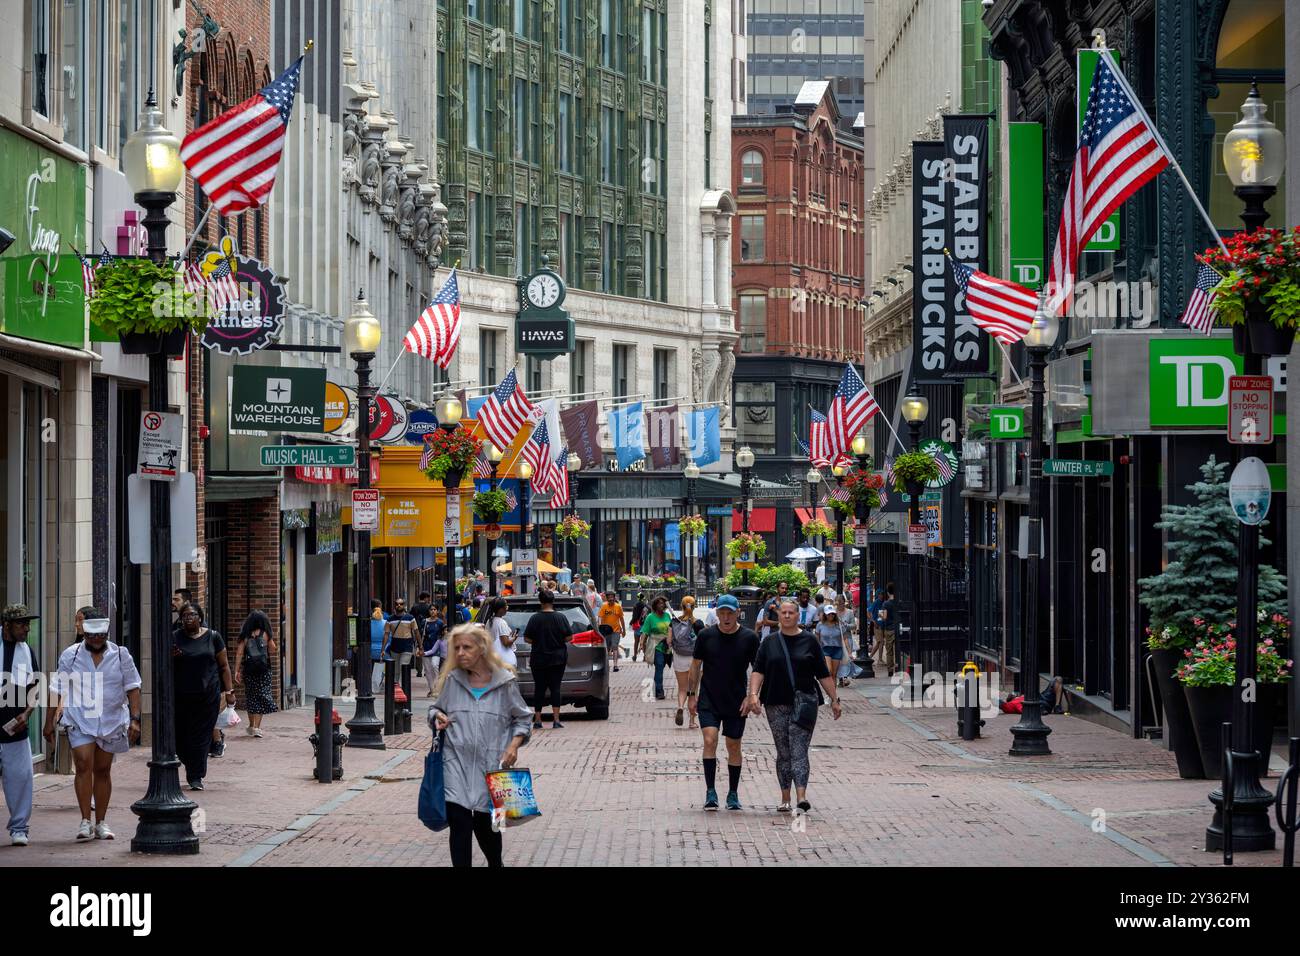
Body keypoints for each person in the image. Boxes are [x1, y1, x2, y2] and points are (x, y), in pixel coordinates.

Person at [428, 624, 532, 868]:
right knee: (460, 824)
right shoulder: (453, 680)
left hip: (492, 766)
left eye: (467, 647)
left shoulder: (504, 682)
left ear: (482, 648)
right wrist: (437, 717)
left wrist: (514, 746)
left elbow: (523, 718)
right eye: (457, 648)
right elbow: (435, 709)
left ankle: (496, 863)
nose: (461, 653)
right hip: (455, 764)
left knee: (487, 827)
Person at [46, 609, 142, 841]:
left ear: (107, 634)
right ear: (85, 635)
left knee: (102, 770)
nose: (96, 639)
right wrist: (49, 721)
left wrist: (136, 719)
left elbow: (133, 686)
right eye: (91, 636)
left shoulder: (121, 655)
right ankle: (85, 820)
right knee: (82, 763)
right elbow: (57, 688)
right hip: (80, 717)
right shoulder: (71, 654)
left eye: (101, 635)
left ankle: (101, 822)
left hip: (110, 720)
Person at [747, 599, 841, 813]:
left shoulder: (809, 641)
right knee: (784, 751)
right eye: (784, 612)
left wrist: (834, 699)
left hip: (804, 703)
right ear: (778, 616)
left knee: (799, 749)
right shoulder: (769, 643)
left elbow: (823, 674)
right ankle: (785, 798)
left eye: (791, 612)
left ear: (799, 616)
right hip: (775, 702)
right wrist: (753, 695)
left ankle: (801, 796)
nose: (787, 616)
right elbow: (758, 670)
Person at [689, 595, 760, 810]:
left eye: (730, 613)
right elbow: (695, 665)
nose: (726, 617)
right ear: (717, 613)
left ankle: (732, 792)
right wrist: (692, 694)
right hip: (709, 698)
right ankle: (711, 792)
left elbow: (757, 669)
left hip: (736, 700)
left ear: (738, 612)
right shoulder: (706, 636)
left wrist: (751, 695)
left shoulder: (749, 638)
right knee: (710, 740)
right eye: (722, 613)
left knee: (733, 745)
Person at [173, 604, 236, 791]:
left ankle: (195, 775)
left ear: (200, 617)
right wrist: (171, 657)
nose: (188, 618)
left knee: (201, 736)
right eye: (184, 615)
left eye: (192, 614)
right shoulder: (175, 637)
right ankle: (189, 762)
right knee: (180, 737)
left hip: (207, 695)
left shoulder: (213, 637)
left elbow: (223, 666)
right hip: (181, 695)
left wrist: (229, 692)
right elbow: (164, 665)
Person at [0, 604, 40, 846]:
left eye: (28, 623)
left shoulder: (27, 651)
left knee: (21, 778)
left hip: (14, 726)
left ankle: (19, 828)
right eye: (21, 624)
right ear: (7, 626)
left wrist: (27, 713)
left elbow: (35, 688)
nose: (27, 628)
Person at [524, 589, 571, 728]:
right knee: (556, 688)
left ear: (540, 601)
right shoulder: (561, 617)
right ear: (553, 601)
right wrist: (558, 640)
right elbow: (569, 637)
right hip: (558, 658)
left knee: (539, 688)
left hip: (538, 658)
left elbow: (527, 638)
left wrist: (538, 642)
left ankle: (538, 720)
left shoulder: (534, 618)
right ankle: (556, 720)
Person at [233, 610, 278, 736]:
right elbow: (273, 649)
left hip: (249, 670)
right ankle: (257, 728)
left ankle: (251, 725)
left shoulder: (245, 636)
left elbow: (239, 653)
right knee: (261, 695)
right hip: (264, 670)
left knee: (251, 696)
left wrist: (236, 670)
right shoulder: (266, 634)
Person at [670, 598, 705, 728]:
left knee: (682, 689)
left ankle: (680, 706)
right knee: (693, 690)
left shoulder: (674, 622)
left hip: (679, 658)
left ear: (682, 606)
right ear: (694, 607)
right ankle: (692, 721)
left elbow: (669, 640)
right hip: (694, 659)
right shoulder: (698, 623)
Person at [639, 596, 674, 700]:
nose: (661, 605)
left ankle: (658, 687)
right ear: (655, 605)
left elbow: (671, 629)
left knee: (662, 667)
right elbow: (645, 632)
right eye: (659, 603)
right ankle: (659, 691)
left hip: (667, 647)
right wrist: (642, 644)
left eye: (663, 603)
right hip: (656, 646)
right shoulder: (650, 617)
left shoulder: (668, 615)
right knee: (659, 666)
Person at [382, 599, 419, 682]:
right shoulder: (390, 619)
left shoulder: (410, 618)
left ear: (404, 605)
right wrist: (383, 649)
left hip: (407, 646)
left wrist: (420, 646)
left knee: (404, 667)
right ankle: (396, 687)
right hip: (395, 646)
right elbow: (386, 634)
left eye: (401, 604)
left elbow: (416, 632)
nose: (399, 605)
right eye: (397, 604)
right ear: (394, 605)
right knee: (396, 670)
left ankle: (403, 689)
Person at [421, 601, 449, 696]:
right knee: (428, 670)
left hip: (436, 649)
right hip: (426, 647)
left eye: (434, 609)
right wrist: (419, 648)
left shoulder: (440, 622)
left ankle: (438, 687)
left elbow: (444, 634)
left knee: (434, 666)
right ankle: (432, 689)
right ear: (429, 611)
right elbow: (421, 635)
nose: (433, 611)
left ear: (437, 611)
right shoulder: (424, 622)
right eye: (431, 609)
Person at [816, 605, 846, 686]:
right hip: (825, 649)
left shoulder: (839, 624)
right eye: (829, 614)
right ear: (825, 614)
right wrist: (817, 650)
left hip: (837, 649)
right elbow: (817, 638)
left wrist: (849, 652)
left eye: (832, 614)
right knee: (829, 671)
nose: (831, 616)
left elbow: (845, 638)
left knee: (834, 673)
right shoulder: (820, 624)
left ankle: (833, 696)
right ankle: (829, 693)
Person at [485, 598, 518, 668]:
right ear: (500, 609)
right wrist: (514, 638)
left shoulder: (489, 621)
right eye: (506, 606)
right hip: (502, 662)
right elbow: (505, 643)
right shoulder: (501, 622)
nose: (507, 607)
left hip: (492, 659)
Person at [835, 594, 860, 686]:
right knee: (838, 658)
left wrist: (846, 625)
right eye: (837, 604)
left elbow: (854, 625)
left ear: (844, 602)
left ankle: (845, 677)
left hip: (847, 638)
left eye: (841, 603)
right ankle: (840, 678)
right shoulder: (833, 612)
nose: (839, 606)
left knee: (846, 659)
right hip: (837, 639)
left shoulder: (849, 612)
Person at [597, 591, 625, 671]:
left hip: (616, 630)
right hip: (606, 631)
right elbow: (600, 617)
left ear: (614, 598)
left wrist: (623, 630)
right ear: (607, 599)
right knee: (606, 649)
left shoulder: (618, 607)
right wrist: (600, 626)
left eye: (612, 599)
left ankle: (615, 665)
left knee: (615, 647)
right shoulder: (604, 606)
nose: (611, 601)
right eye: (609, 600)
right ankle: (605, 666)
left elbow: (621, 619)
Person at [875, 582, 898, 677]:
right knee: (897, 650)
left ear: (888, 592)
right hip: (897, 628)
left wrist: (879, 614)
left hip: (888, 629)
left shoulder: (886, 603)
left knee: (889, 651)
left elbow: (883, 617)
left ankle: (890, 670)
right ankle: (898, 667)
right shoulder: (898, 602)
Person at [411, 591, 433, 676]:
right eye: (428, 598)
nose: (429, 600)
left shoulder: (414, 607)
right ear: (425, 598)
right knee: (427, 649)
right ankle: (426, 670)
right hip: (427, 630)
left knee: (418, 649)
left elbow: (411, 617)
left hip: (416, 630)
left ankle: (419, 670)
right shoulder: (428, 607)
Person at [370, 600, 388, 693]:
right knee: (381, 669)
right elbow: (389, 638)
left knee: (371, 668)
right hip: (382, 651)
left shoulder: (368, 623)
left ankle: (370, 685)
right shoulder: (386, 623)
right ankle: (378, 684)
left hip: (370, 651)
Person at [629, 592, 650, 661]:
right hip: (645, 626)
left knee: (636, 641)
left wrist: (631, 622)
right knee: (644, 642)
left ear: (637, 598)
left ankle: (635, 656)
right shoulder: (647, 606)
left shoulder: (636, 605)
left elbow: (634, 616)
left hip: (637, 626)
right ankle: (645, 656)